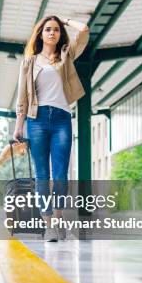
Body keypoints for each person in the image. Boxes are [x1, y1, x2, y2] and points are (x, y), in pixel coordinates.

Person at [12, 15, 89, 242]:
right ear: (41, 34)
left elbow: (84, 30)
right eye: (48, 29)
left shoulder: (66, 55)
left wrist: (65, 20)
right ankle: (48, 227)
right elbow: (22, 97)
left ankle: (57, 218)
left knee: (60, 175)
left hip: (62, 120)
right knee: (42, 175)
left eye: (56, 29)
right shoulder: (29, 62)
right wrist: (19, 126)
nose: (52, 33)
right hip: (36, 120)